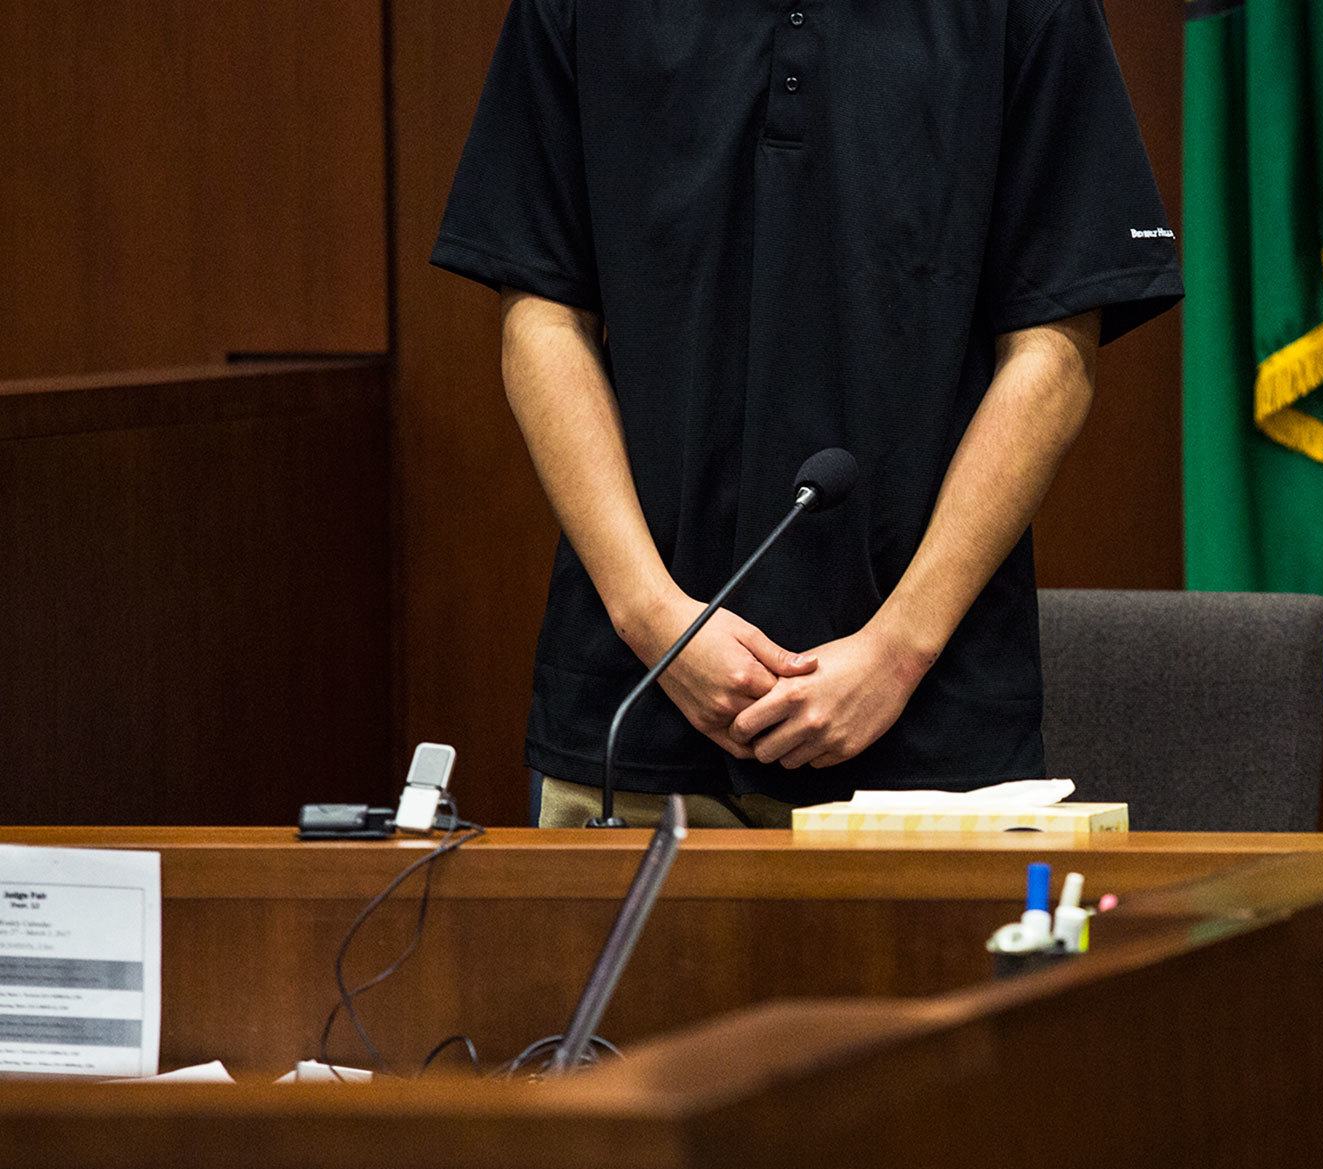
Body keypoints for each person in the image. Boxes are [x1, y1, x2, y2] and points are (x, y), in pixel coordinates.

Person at [432, 0, 1182, 828]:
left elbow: (1054, 343)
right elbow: (542, 314)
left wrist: (898, 650)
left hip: (931, 733)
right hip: (636, 714)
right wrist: (653, 618)